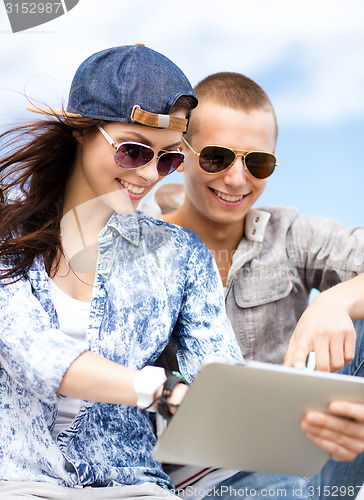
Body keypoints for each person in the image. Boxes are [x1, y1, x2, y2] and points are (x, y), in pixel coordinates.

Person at [0, 46, 244, 499]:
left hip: (132, 485)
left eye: (170, 159)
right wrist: (160, 389)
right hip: (15, 479)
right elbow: (33, 352)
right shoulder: (5, 237)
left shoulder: (182, 255)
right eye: (133, 151)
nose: (151, 173)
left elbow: (221, 373)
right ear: (81, 132)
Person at [141, 72, 364, 498]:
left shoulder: (290, 235)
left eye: (257, 162)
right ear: (182, 151)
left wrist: (334, 301)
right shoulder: (138, 244)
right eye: (217, 158)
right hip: (195, 470)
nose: (237, 180)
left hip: (299, 452)